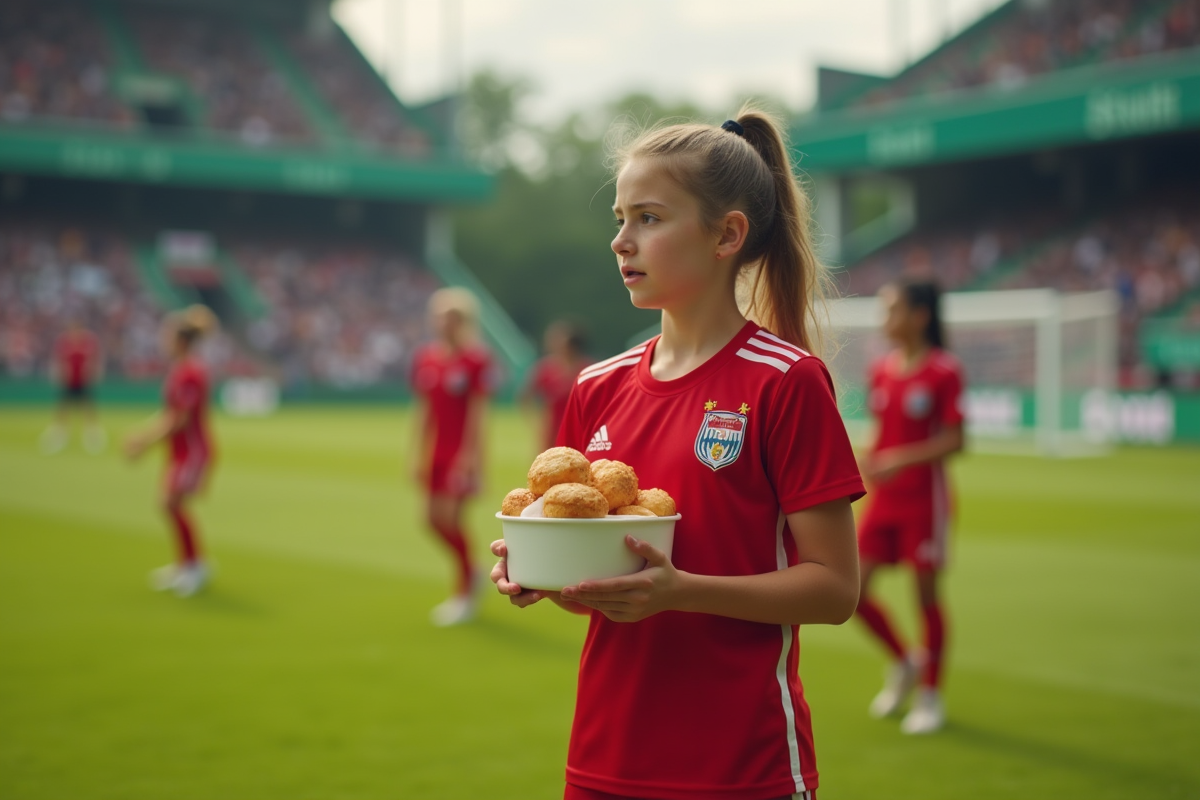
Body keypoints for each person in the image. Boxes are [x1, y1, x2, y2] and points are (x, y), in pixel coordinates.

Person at [491, 109, 865, 800]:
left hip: (741, 769)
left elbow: (835, 589)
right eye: (619, 218)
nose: (620, 240)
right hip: (604, 761)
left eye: (649, 218)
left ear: (727, 235)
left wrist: (682, 591)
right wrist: (547, 573)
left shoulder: (786, 381)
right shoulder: (595, 386)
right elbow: (606, 596)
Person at [854, 277, 965, 735]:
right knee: (853, 591)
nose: (885, 319)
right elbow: (882, 429)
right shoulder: (881, 370)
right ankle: (905, 662)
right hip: (885, 500)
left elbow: (956, 441)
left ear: (920, 316)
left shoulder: (943, 371)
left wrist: (900, 458)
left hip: (925, 500)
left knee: (926, 596)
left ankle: (931, 694)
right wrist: (870, 456)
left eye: (893, 309)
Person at [411, 287, 495, 627]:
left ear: (463, 321)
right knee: (430, 520)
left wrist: (472, 459)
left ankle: (464, 594)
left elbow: (478, 413)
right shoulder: (427, 358)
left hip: (460, 453)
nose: (443, 323)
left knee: (453, 519)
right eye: (439, 316)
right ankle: (471, 569)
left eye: (451, 317)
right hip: (435, 452)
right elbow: (423, 411)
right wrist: (417, 453)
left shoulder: (475, 360)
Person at [124, 305, 218, 598]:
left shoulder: (191, 372)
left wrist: (144, 442)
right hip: (180, 450)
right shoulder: (182, 370)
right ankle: (188, 564)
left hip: (192, 450)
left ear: (181, 340)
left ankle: (195, 566)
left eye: (167, 336)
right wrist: (145, 435)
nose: (163, 341)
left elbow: (180, 419)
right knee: (170, 505)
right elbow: (171, 414)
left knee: (170, 503)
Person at [522, 320, 593, 450]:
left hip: (581, 432)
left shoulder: (588, 369)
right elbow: (525, 397)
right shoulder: (545, 369)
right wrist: (537, 425)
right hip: (552, 432)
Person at [41, 318, 106, 454]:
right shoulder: (63, 341)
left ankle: (92, 436)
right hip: (68, 381)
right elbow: (58, 361)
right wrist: (59, 376)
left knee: (88, 408)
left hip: (84, 381)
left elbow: (95, 360)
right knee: (63, 408)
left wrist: (94, 374)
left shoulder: (89, 341)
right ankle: (59, 435)